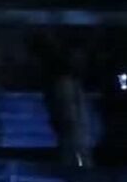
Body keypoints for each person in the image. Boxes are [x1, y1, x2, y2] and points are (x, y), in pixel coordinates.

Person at [30, 31, 94, 168]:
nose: (81, 60)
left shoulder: (69, 83)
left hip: (75, 136)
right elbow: (69, 114)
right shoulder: (65, 84)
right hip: (73, 137)